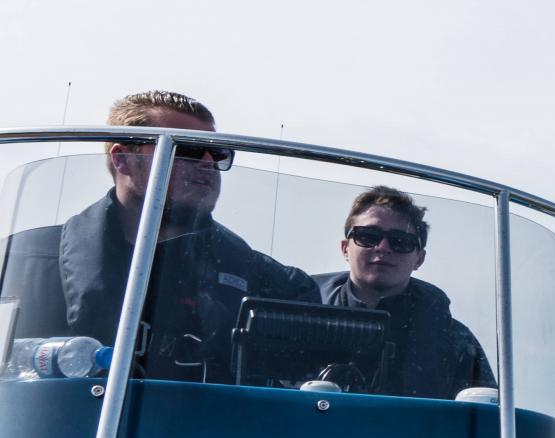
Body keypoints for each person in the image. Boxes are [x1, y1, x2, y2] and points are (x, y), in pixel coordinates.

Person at [1, 90, 318, 382]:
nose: (208, 163)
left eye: (217, 153)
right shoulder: (20, 262)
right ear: (122, 159)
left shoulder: (277, 287)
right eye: (187, 149)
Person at [315, 186, 495, 399]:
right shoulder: (304, 312)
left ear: (419, 259)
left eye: (400, 241)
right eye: (368, 236)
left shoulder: (455, 341)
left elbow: (488, 413)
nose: (382, 247)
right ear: (345, 248)